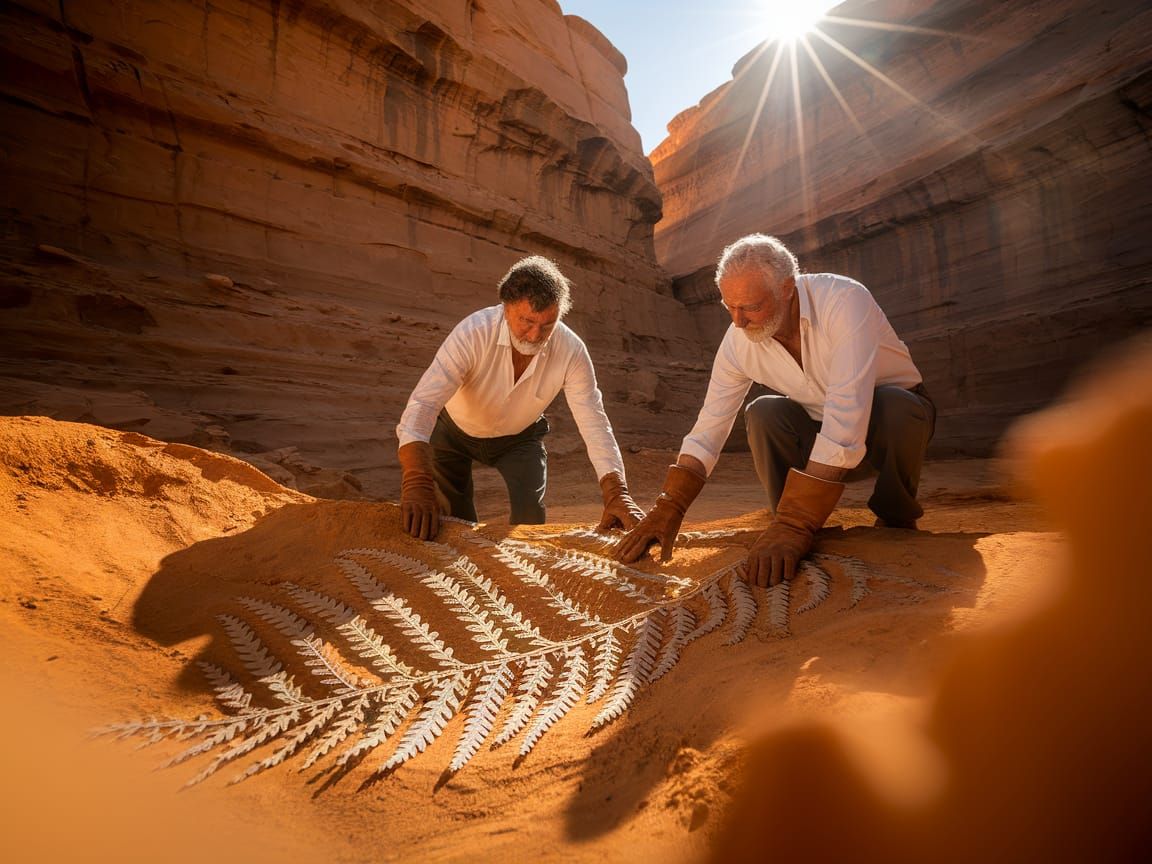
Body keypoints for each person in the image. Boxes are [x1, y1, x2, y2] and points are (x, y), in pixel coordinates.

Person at [617, 234, 935, 586]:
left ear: (786, 289)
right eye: (729, 307)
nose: (738, 321)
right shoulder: (738, 341)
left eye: (750, 307)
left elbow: (846, 415)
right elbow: (709, 427)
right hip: (818, 438)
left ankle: (892, 518)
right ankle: (789, 521)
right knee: (763, 413)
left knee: (896, 405)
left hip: (889, 431)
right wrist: (670, 505)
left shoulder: (845, 301)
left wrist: (796, 523)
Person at [395, 255, 643, 540]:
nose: (536, 334)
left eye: (547, 325)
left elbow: (594, 420)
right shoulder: (472, 333)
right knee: (455, 523)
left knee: (531, 518)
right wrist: (416, 479)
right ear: (505, 307)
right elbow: (424, 403)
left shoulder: (571, 350)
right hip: (453, 434)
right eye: (526, 321)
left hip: (519, 439)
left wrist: (617, 492)